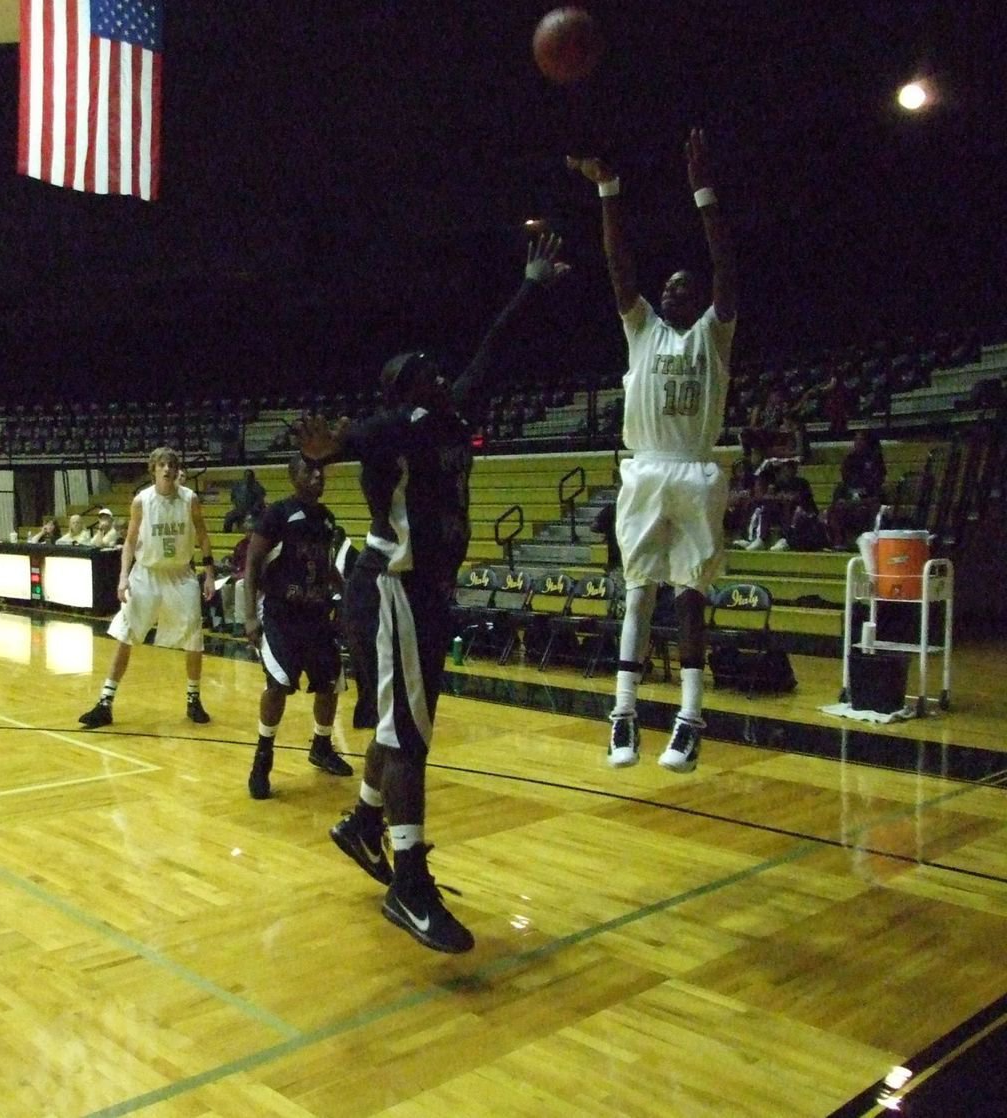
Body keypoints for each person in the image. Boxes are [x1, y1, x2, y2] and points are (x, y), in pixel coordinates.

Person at [299, 233, 569, 954]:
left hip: (423, 594)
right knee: (408, 736)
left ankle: (364, 821)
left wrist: (531, 285)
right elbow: (355, 435)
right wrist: (327, 446)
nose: (439, 375)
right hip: (391, 589)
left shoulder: (451, 415)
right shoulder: (396, 428)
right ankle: (409, 884)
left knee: (403, 727)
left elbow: (491, 353)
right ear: (404, 389)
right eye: (424, 372)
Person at [568, 127, 737, 774]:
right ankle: (623, 714)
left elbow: (726, 265)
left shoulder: (713, 338)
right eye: (666, 287)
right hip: (644, 470)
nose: (671, 291)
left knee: (690, 594)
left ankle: (691, 720)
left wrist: (703, 191)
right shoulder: (641, 331)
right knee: (638, 593)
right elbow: (617, 266)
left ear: (698, 301)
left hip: (694, 470)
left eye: (682, 287)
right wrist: (609, 190)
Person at [79, 447, 215, 728]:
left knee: (194, 637)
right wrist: (122, 577)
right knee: (126, 634)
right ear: (153, 469)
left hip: (180, 574)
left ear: (178, 470)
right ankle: (105, 702)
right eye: (161, 464)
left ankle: (193, 699)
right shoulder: (142, 501)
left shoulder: (190, 499)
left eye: (171, 465)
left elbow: (202, 535)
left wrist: (210, 572)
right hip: (147, 574)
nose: (166, 469)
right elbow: (129, 541)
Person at [243, 454, 351, 798]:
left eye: (321, 470)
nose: (318, 476)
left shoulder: (327, 519)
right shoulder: (277, 514)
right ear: (294, 477)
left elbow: (326, 564)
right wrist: (249, 616)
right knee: (278, 685)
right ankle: (263, 756)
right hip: (282, 615)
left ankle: (321, 745)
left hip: (317, 615)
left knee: (330, 683)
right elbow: (251, 566)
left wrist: (345, 596)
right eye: (310, 470)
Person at [825, 430, 886, 548]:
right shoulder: (850, 460)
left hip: (867, 502)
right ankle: (838, 542)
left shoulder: (875, 460)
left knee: (866, 509)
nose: (857, 443)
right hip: (850, 502)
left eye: (860, 440)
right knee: (834, 510)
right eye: (856, 439)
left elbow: (876, 492)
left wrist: (860, 499)